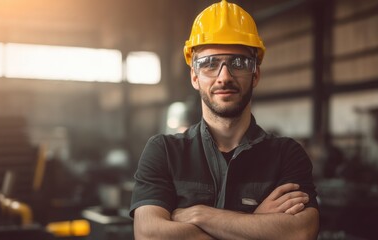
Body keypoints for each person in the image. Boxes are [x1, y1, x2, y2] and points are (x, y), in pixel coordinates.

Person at [129, 0, 319, 239]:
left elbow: (301, 232)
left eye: (238, 63)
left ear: (255, 74)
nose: (224, 77)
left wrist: (200, 215)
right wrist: (256, 223)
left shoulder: (287, 155)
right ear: (195, 77)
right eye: (210, 64)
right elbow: (149, 235)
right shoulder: (164, 151)